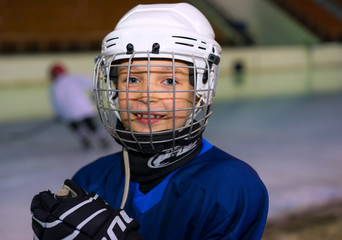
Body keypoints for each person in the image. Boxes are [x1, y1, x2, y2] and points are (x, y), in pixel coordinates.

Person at [31, 3, 268, 240]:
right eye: (131, 78)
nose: (146, 96)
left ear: (200, 90)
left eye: (169, 81)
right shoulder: (90, 179)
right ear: (114, 89)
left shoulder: (231, 186)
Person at [49, 63, 109, 149]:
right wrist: (93, 94)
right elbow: (92, 82)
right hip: (84, 107)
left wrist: (58, 114)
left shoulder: (55, 86)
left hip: (69, 112)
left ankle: (84, 139)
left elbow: (57, 102)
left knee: (75, 127)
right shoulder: (74, 78)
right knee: (91, 124)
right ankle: (101, 138)